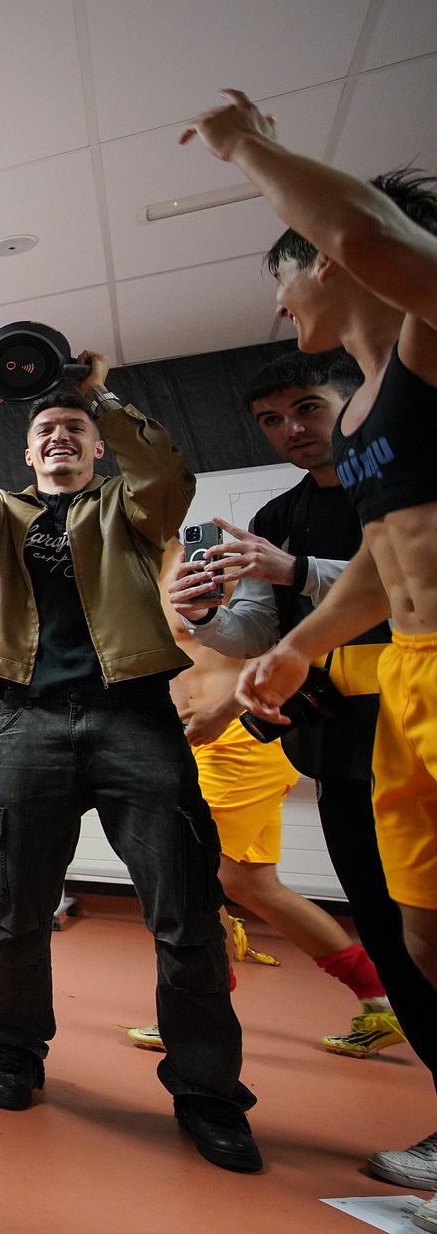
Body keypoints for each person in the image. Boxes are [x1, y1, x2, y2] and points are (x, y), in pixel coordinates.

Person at [0, 355, 261, 1174]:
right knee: (16, 908)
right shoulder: (1, 516)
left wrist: (94, 395)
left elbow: (163, 469)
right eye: (45, 433)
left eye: (73, 430)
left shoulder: (132, 508)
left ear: (95, 447)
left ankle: (206, 1093)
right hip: (30, 724)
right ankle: (13, 1050)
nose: (60, 439)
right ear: (28, 454)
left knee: (183, 917)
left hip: (134, 720)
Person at [169, 348, 436, 1189]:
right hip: (339, 739)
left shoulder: (391, 481)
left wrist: (293, 574)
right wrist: (205, 617)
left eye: (307, 410)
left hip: (413, 714)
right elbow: (259, 630)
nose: (292, 432)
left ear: (348, 406)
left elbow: (404, 586)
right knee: (399, 935)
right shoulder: (279, 513)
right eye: (272, 421)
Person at [200, 93, 437, 994]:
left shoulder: (431, 343)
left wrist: (250, 149)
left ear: (331, 263)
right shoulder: (361, 423)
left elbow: (372, 234)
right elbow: (384, 563)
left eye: (286, 274)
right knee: (421, 939)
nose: (276, 298)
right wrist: (297, 647)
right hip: (407, 679)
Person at [123, 538, 398, 1057]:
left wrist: (225, 710)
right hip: (196, 742)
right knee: (253, 885)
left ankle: (198, 1011)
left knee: (191, 876)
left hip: (239, 739)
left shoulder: (213, 559)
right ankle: (382, 1002)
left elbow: (269, 644)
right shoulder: (132, 572)